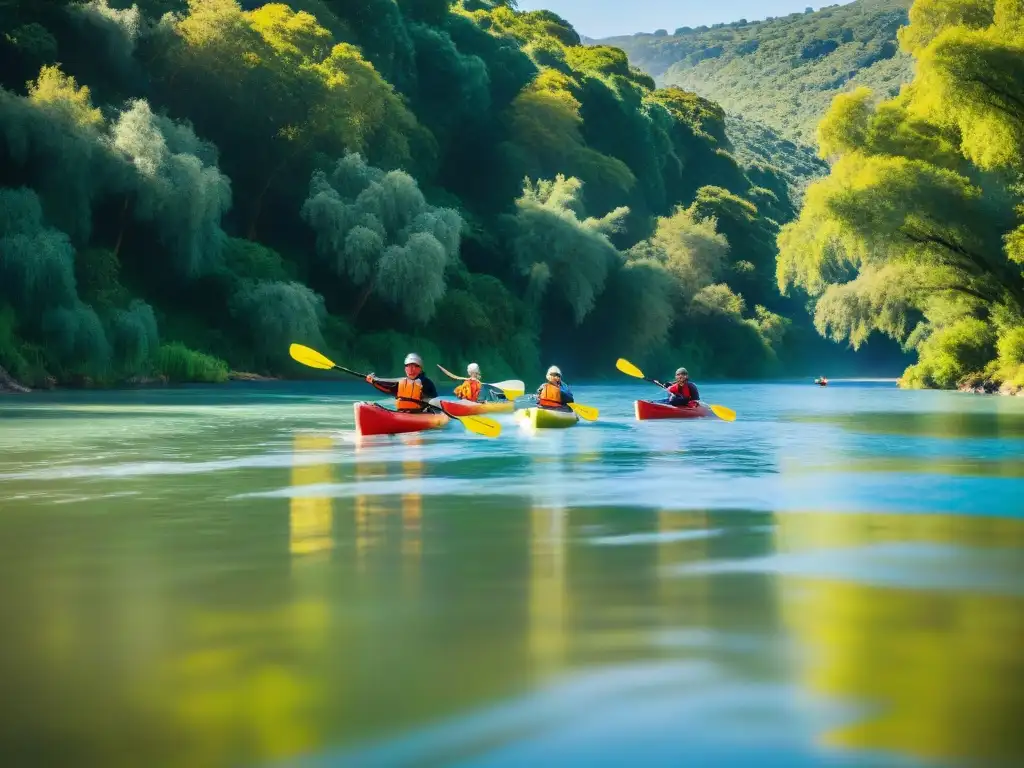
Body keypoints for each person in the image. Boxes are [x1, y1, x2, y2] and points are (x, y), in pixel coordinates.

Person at [366, 353, 439, 411]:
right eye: (408, 367)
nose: (411, 370)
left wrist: (376, 379)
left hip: (422, 412)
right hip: (403, 412)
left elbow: (434, 400)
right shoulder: (402, 384)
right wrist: (373, 382)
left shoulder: (427, 383)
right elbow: (388, 389)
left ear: (420, 369)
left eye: (415, 366)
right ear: (405, 369)